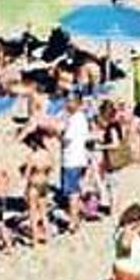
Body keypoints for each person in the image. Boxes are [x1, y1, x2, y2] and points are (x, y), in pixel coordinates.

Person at [59, 94, 91, 234]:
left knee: (72, 192)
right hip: (79, 158)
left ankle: (74, 221)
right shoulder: (81, 118)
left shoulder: (75, 119)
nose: (67, 104)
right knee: (76, 190)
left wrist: (59, 134)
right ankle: (81, 214)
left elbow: (67, 139)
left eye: (69, 102)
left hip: (72, 159)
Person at [94, 100, 128, 213]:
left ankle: (113, 209)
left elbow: (115, 144)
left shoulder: (112, 127)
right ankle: (114, 207)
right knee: (114, 185)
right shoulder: (116, 125)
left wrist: (101, 147)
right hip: (116, 159)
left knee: (112, 185)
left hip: (113, 160)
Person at [21, 132, 53, 246]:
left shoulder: (32, 157)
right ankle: (48, 237)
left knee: (33, 213)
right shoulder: (47, 154)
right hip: (44, 184)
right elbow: (50, 169)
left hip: (34, 185)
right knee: (44, 213)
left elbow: (26, 175)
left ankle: (35, 240)